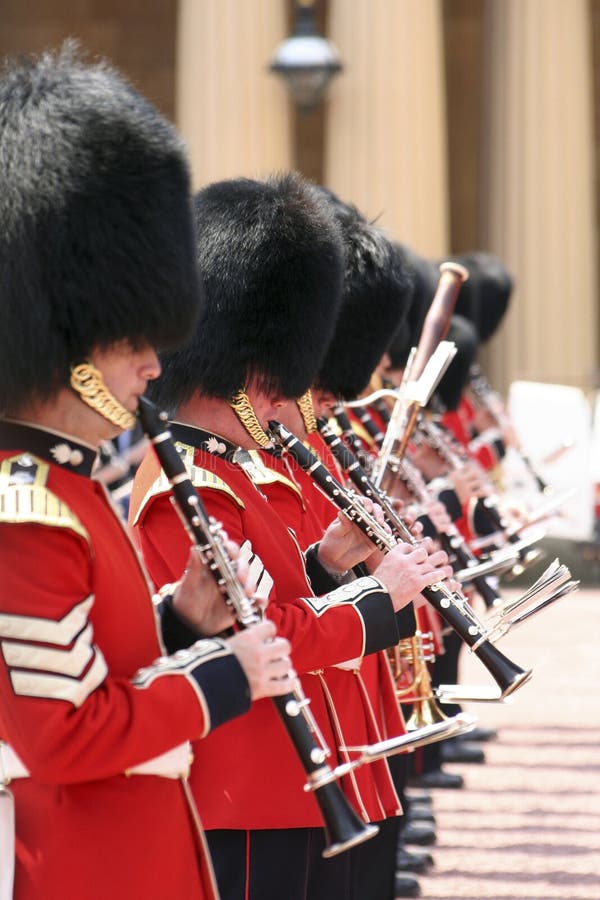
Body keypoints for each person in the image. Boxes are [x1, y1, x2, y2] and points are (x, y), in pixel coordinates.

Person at [0, 46, 295, 900]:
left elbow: (92, 663)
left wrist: (179, 623)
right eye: (133, 338)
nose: (152, 367)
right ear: (69, 341)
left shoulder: (72, 493)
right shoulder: (26, 510)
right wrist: (224, 677)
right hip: (82, 869)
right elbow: (62, 734)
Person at [130, 173, 454, 900]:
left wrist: (333, 563)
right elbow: (247, 636)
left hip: (290, 781)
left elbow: (273, 598)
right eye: (285, 376)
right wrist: (376, 600)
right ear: (248, 364)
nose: (294, 397)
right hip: (243, 790)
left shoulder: (233, 470)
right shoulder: (186, 484)